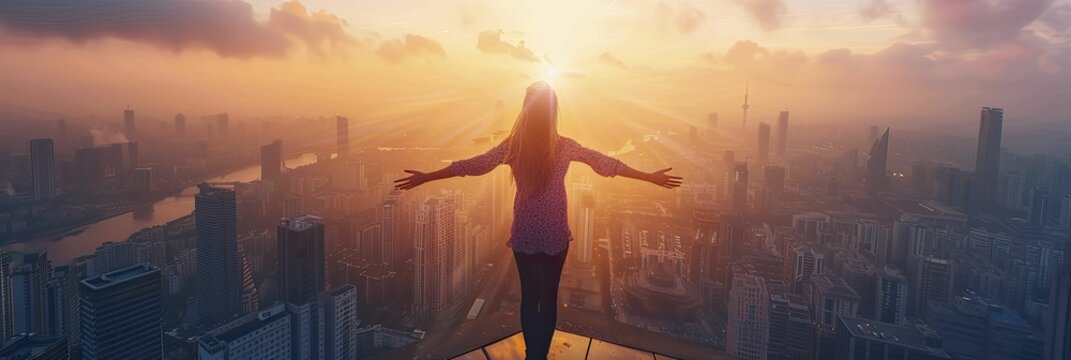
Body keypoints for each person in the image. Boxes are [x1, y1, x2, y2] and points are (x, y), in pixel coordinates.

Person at [394, 81, 682, 359]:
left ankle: (533, 356)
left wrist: (427, 177)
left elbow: (474, 165)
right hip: (556, 235)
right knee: (549, 299)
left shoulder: (513, 146)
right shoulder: (564, 146)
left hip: (526, 235)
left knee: (530, 300)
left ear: (526, 109)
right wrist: (649, 177)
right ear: (553, 111)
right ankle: (540, 355)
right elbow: (607, 164)